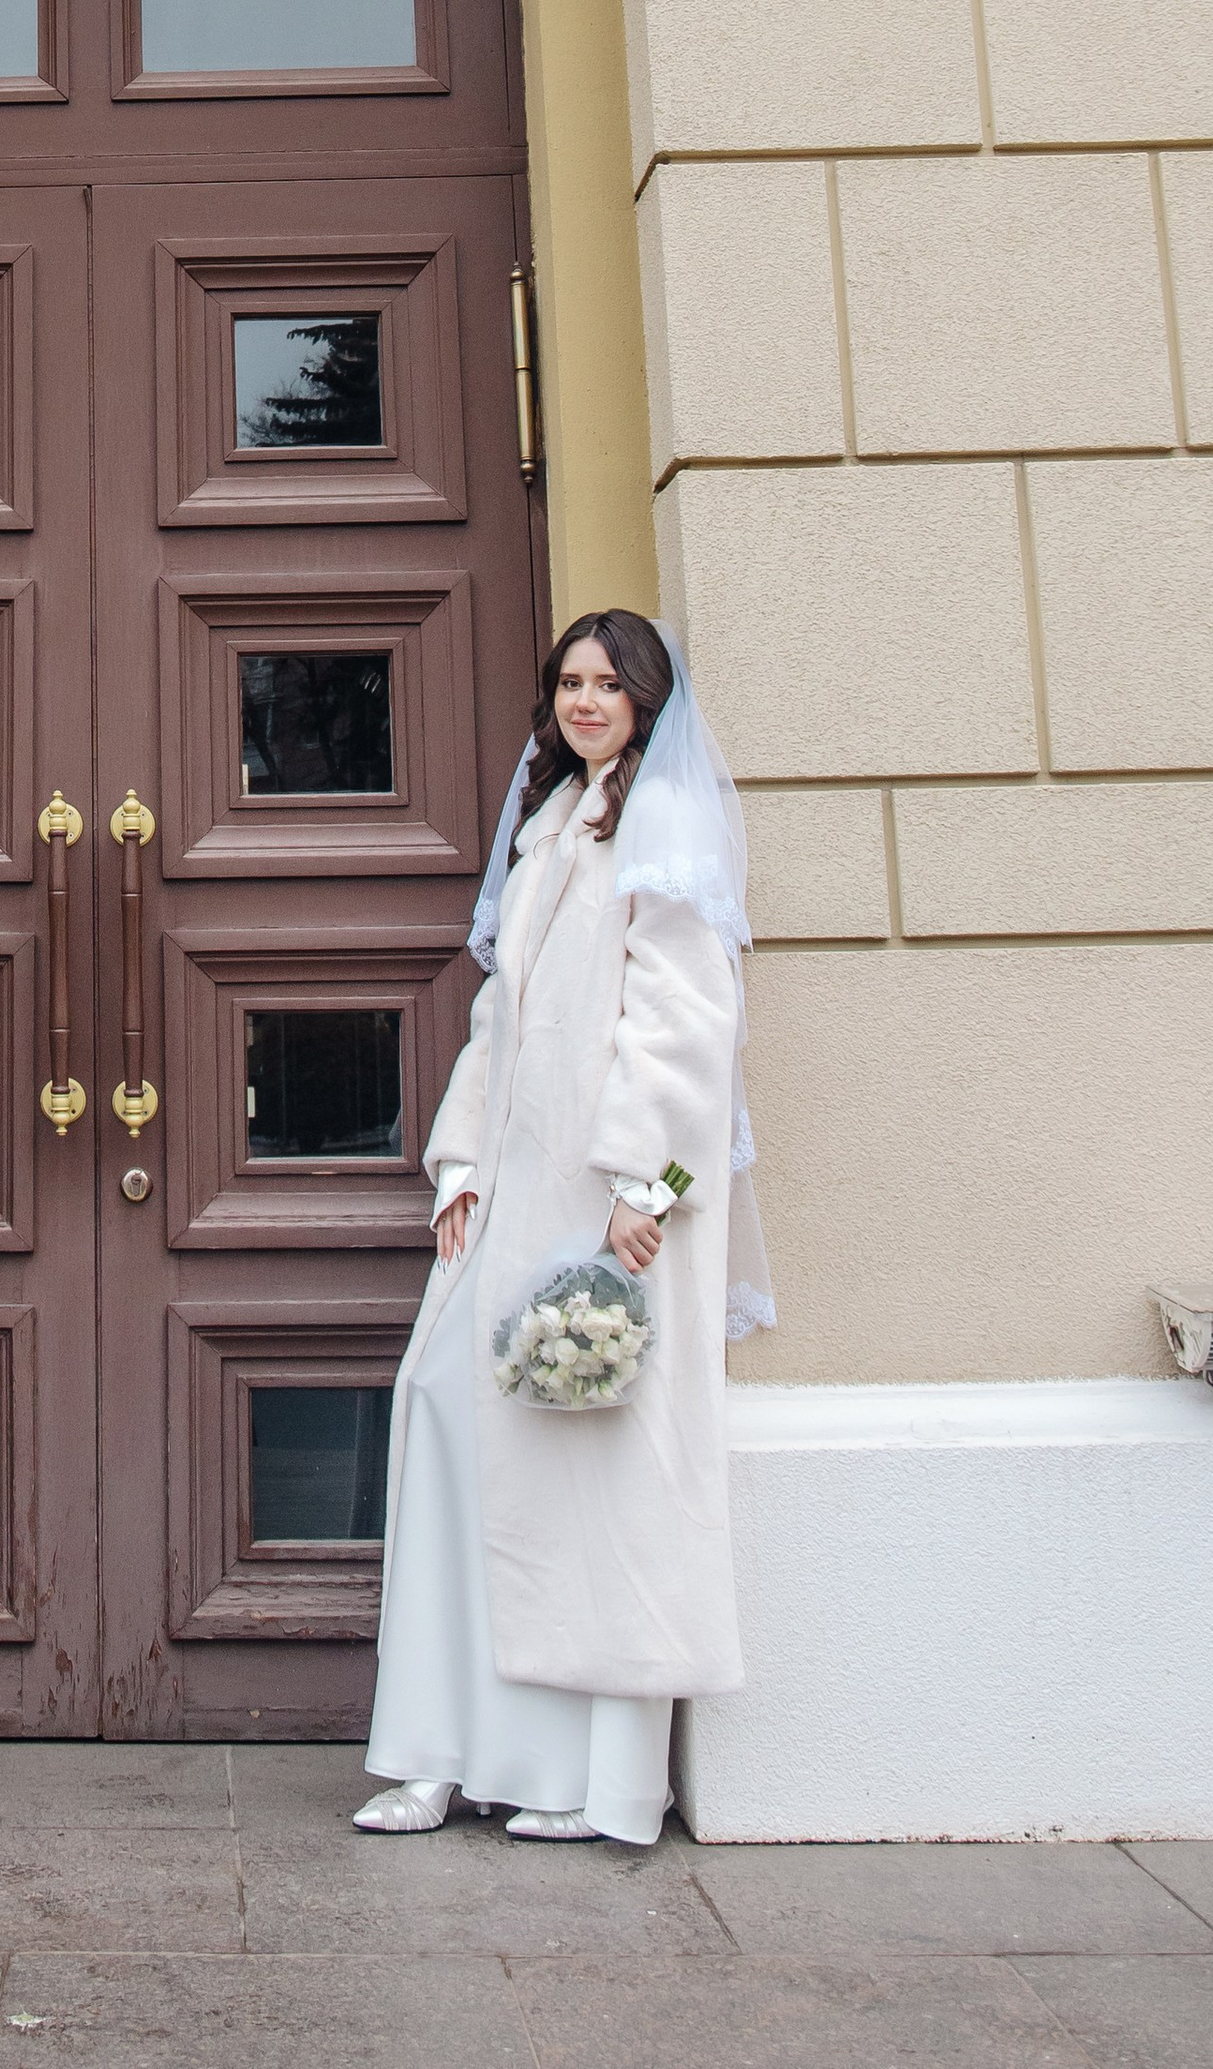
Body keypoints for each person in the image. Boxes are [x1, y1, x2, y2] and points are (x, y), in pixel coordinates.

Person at [353, 610, 773, 1848]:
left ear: (648, 698)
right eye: (569, 682)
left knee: (592, 1486)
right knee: (445, 1422)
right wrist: (461, 1162)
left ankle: (594, 1783)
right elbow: (501, 1012)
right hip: (511, 1200)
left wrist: (646, 1189)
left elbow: (689, 1024)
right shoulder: (547, 823)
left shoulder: (669, 830)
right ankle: (439, 1750)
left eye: (607, 683)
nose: (585, 700)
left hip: (610, 1210)